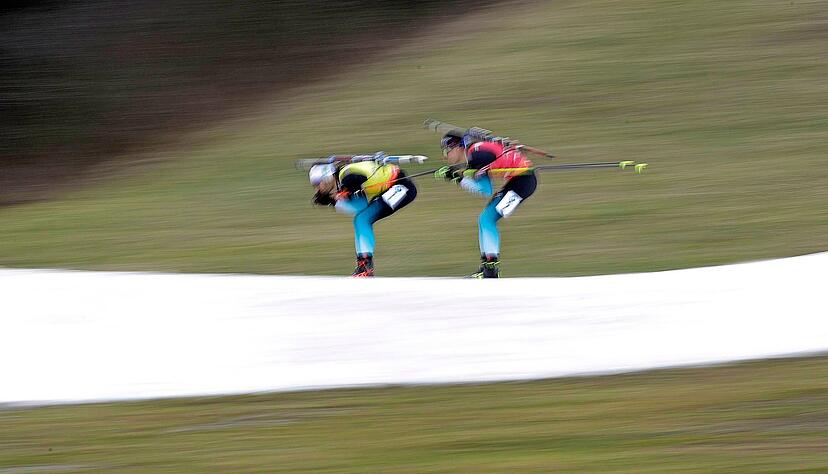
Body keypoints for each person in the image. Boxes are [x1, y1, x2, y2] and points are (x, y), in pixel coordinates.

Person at [434, 133, 537, 278]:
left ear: (457, 147)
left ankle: (490, 270)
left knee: (487, 219)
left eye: (446, 151)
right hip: (521, 181)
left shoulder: (476, 156)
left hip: (522, 182)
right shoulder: (477, 152)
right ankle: (489, 268)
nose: (445, 157)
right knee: (485, 219)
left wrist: (456, 178)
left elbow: (485, 190)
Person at [310, 159, 417, 277]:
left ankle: (365, 266)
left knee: (363, 219)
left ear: (327, 178)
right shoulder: (343, 180)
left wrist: (337, 198)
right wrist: (334, 200)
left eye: (317, 184)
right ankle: (364, 265)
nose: (317, 189)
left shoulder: (347, 177)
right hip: (393, 188)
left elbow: (358, 189)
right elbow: (360, 207)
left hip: (401, 187)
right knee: (361, 219)